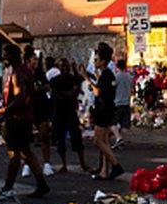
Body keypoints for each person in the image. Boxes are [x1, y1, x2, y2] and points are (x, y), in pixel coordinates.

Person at [0, 45, 50, 201]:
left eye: (6, 55)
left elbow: (20, 98)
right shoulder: (22, 71)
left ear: (14, 56)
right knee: (25, 152)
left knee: (14, 153)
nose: (4, 58)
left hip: (17, 119)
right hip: (22, 117)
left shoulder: (19, 74)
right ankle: (41, 184)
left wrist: (0, 112)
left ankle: (8, 188)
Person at [85, 44, 123, 180]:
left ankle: (116, 165)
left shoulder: (106, 74)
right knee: (105, 141)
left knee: (98, 141)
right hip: (107, 109)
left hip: (103, 110)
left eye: (96, 59)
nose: (95, 62)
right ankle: (104, 171)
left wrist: (86, 78)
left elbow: (97, 92)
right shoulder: (106, 74)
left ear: (102, 61)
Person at [47, 57, 91, 174]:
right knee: (71, 138)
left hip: (63, 111)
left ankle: (68, 164)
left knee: (67, 138)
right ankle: (79, 163)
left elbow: (56, 93)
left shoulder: (56, 80)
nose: (64, 68)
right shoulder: (63, 80)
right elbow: (78, 83)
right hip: (66, 111)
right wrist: (72, 93)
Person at [23, 47, 54, 177]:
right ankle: (27, 164)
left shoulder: (40, 73)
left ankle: (46, 163)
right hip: (28, 107)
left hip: (41, 106)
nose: (36, 61)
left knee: (44, 135)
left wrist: (38, 88)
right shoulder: (23, 73)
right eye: (34, 59)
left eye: (36, 59)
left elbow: (47, 86)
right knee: (26, 138)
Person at [111, 59, 132, 150]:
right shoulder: (129, 76)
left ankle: (119, 138)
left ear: (117, 67)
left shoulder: (117, 76)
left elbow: (112, 86)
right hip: (126, 102)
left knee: (112, 122)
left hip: (117, 102)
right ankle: (120, 141)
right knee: (125, 124)